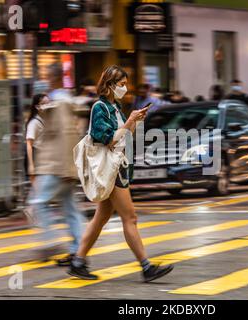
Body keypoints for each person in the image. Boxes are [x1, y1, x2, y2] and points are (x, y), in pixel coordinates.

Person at [68, 65, 174, 282]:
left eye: (126, 84)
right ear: (109, 85)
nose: (125, 89)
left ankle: (78, 262)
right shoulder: (100, 107)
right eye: (122, 84)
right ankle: (146, 267)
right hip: (112, 170)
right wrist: (129, 121)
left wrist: (135, 121)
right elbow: (107, 138)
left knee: (102, 216)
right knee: (130, 217)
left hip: (117, 166)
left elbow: (124, 136)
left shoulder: (114, 107)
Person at [29, 63, 85, 265]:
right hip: (64, 165)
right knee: (70, 208)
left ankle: (49, 241)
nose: (46, 80)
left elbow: (66, 136)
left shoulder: (60, 103)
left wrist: (67, 168)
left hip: (57, 166)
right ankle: (78, 250)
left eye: (48, 76)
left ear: (56, 78)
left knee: (37, 203)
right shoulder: (64, 100)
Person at [25, 94, 49, 184]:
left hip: (43, 158)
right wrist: (31, 166)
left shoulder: (46, 120)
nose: (48, 106)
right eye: (44, 103)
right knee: (37, 190)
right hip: (35, 157)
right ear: (37, 107)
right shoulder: (34, 123)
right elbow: (29, 144)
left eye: (49, 103)